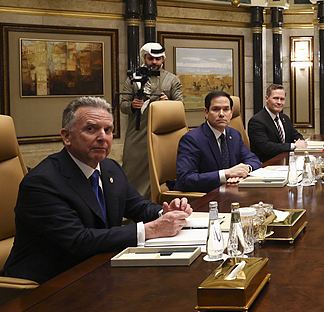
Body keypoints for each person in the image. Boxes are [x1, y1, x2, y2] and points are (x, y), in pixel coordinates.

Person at [1, 97, 191, 284]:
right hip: (46, 286)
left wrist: (165, 212)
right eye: (91, 129)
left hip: (96, 272)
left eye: (108, 130)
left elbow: (137, 206)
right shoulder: (42, 182)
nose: (102, 137)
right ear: (66, 136)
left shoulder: (110, 168)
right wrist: (150, 229)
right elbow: (79, 241)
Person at [120, 42, 183, 197]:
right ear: (144, 58)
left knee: (162, 170)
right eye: (150, 58)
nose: (154, 62)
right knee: (132, 169)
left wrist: (168, 103)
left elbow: (180, 107)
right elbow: (122, 105)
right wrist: (132, 105)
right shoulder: (132, 79)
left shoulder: (172, 80)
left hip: (164, 135)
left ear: (162, 59)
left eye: (158, 59)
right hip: (138, 133)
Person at [175, 91, 261, 192]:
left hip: (231, 190)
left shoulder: (234, 134)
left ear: (231, 112)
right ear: (206, 113)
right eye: (216, 109)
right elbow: (185, 180)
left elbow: (253, 160)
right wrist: (226, 174)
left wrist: (244, 170)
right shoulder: (192, 139)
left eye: (226, 109)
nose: (221, 114)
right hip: (206, 195)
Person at [248, 84, 307, 163]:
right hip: (267, 164)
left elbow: (296, 135)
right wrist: (294, 146)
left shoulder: (284, 118)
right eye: (275, 98)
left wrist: (301, 142)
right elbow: (267, 147)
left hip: (286, 161)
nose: (279, 102)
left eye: (282, 99)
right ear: (267, 99)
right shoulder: (256, 121)